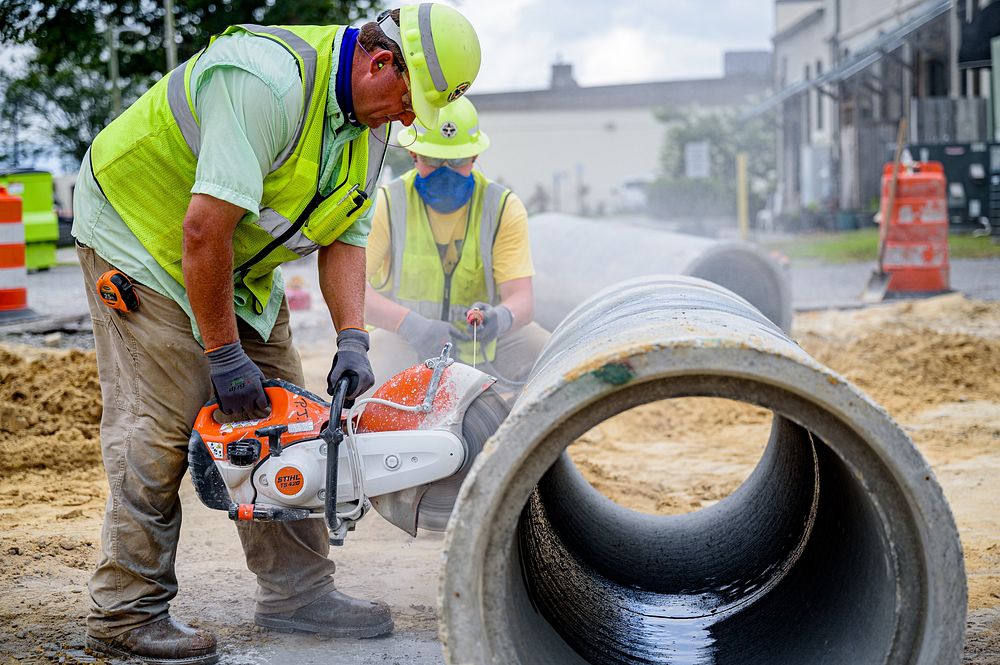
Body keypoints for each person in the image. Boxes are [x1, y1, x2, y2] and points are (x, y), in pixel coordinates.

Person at [71, 5, 480, 663]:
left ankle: (297, 594)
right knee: (162, 422)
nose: (408, 121)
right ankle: (125, 610)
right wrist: (224, 354)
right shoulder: (266, 82)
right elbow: (202, 230)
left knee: (287, 421)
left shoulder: (370, 124)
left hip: (235, 257)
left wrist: (353, 338)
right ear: (380, 63)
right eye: (408, 102)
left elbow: (345, 235)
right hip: (143, 237)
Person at [365, 97, 549, 389]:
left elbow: (523, 301)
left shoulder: (501, 207)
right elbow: (354, 292)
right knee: (371, 364)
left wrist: (499, 319)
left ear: (475, 157)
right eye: (434, 161)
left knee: (546, 355)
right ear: (414, 154)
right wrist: (413, 325)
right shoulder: (389, 203)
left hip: (481, 343)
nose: (445, 172)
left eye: (458, 161)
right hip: (406, 340)